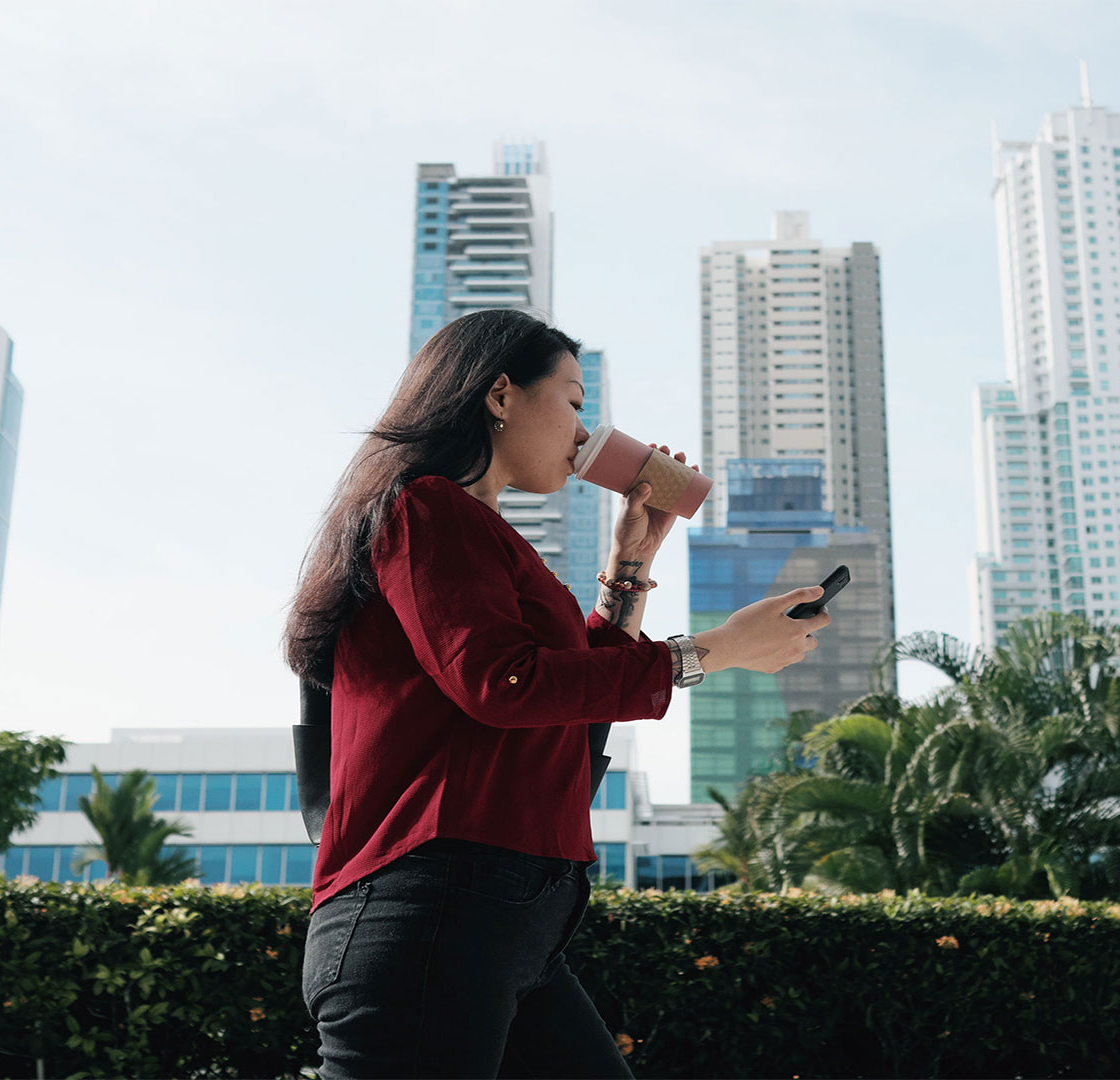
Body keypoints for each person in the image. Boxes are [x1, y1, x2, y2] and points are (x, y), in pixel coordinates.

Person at [285, 308, 830, 1078]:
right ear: (500, 395)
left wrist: (631, 561)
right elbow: (503, 685)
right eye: (574, 401)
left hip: (505, 928)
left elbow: (568, 707)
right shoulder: (428, 508)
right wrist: (719, 651)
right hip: (434, 912)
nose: (584, 433)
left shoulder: (484, 537)